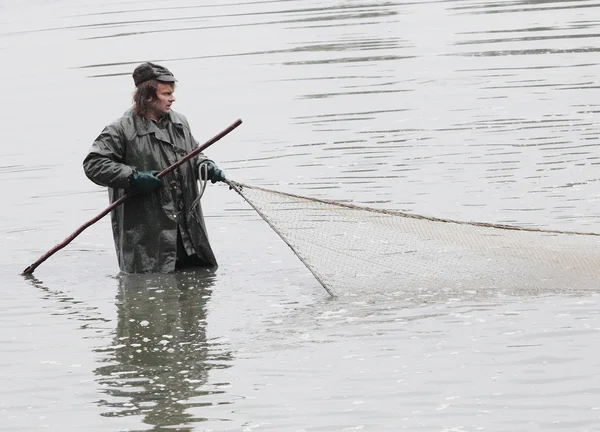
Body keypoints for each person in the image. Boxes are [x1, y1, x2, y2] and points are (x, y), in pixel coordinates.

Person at [83, 62, 226, 273]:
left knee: (196, 300)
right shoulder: (120, 129)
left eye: (172, 93)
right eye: (166, 93)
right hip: (147, 243)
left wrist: (205, 166)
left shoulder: (180, 122)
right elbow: (93, 164)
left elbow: (193, 155)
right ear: (148, 96)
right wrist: (133, 178)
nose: (173, 98)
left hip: (189, 236)